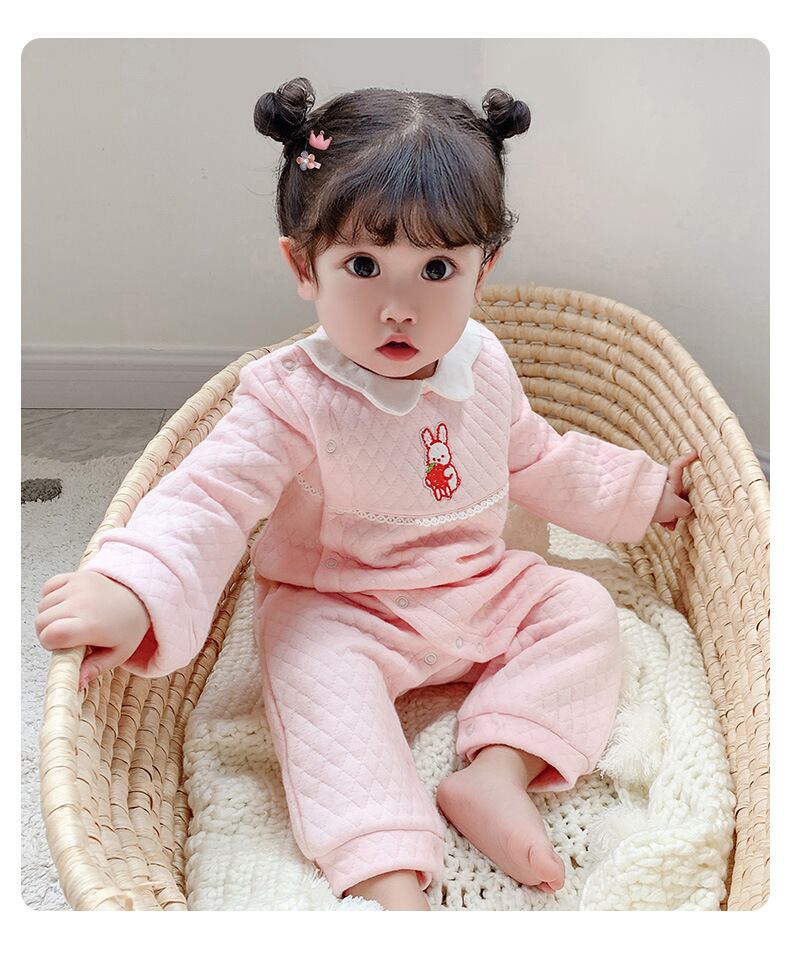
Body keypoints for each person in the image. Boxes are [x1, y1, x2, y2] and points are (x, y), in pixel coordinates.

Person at [35, 78, 697, 911]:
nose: (399, 307)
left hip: (476, 587)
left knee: (583, 610)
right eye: (362, 265)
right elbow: (211, 493)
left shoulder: (485, 364)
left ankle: (497, 770)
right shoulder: (289, 396)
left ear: (483, 271)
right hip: (342, 609)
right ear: (301, 266)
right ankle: (388, 874)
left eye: (436, 269)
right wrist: (134, 589)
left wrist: (641, 494)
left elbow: (538, 457)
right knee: (316, 686)